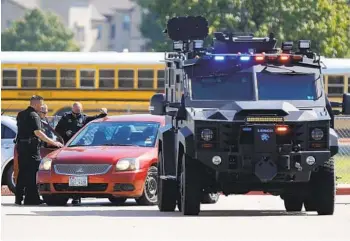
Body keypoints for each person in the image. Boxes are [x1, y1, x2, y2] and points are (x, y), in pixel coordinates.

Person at [54, 102, 108, 205]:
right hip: (68, 148)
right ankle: (63, 193)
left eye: (79, 111)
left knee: (79, 173)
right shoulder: (65, 118)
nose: (77, 113)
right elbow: (57, 131)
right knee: (69, 173)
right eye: (76, 110)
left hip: (80, 149)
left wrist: (103, 114)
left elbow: (95, 118)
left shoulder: (83, 118)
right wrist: (63, 138)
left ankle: (76, 197)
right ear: (72, 109)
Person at [15, 95, 63, 205]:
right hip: (31, 149)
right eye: (41, 104)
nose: (41, 107)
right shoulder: (34, 116)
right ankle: (31, 199)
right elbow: (38, 133)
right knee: (33, 174)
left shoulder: (20, 114)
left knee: (22, 173)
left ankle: (18, 197)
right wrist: (53, 142)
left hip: (21, 147)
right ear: (36, 104)